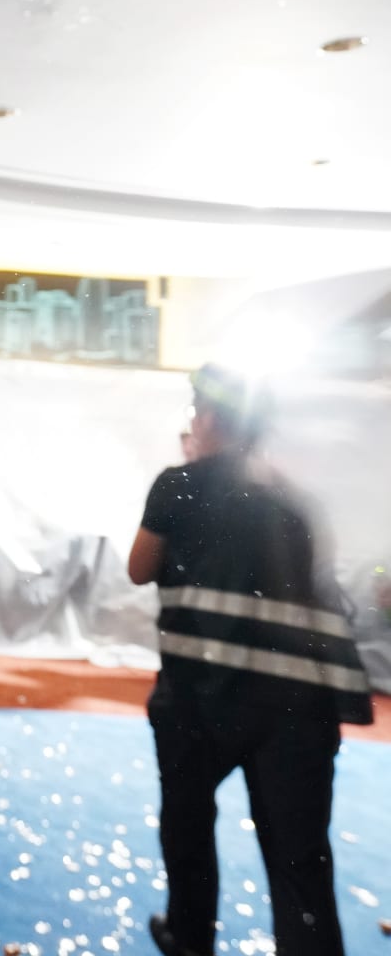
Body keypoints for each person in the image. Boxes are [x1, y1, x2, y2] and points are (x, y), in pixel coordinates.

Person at [130, 364, 373, 956]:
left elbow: (139, 568)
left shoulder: (179, 484)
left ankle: (190, 939)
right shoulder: (294, 501)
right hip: (299, 709)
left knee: (188, 828)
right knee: (299, 858)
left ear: (208, 418)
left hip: (200, 699)